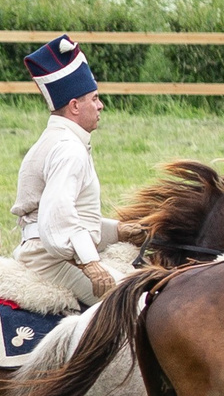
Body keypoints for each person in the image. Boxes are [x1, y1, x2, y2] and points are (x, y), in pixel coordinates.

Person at [10, 35, 139, 307]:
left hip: (46, 251)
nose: (101, 105)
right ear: (75, 106)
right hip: (51, 260)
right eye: (94, 98)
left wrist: (119, 231)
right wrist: (90, 263)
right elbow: (56, 216)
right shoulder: (70, 149)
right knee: (136, 303)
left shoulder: (58, 141)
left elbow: (71, 220)